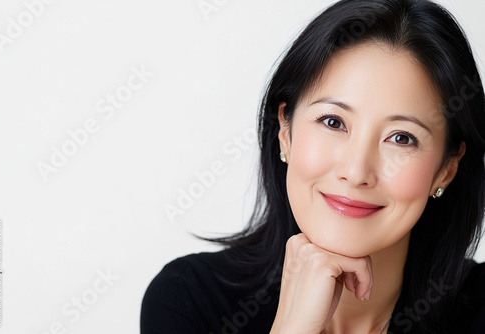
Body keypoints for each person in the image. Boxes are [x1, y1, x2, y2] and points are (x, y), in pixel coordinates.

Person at [141, 0, 485, 333]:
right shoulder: (188, 300)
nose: (355, 171)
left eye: (401, 138)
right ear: (285, 132)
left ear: (446, 169)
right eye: (333, 122)